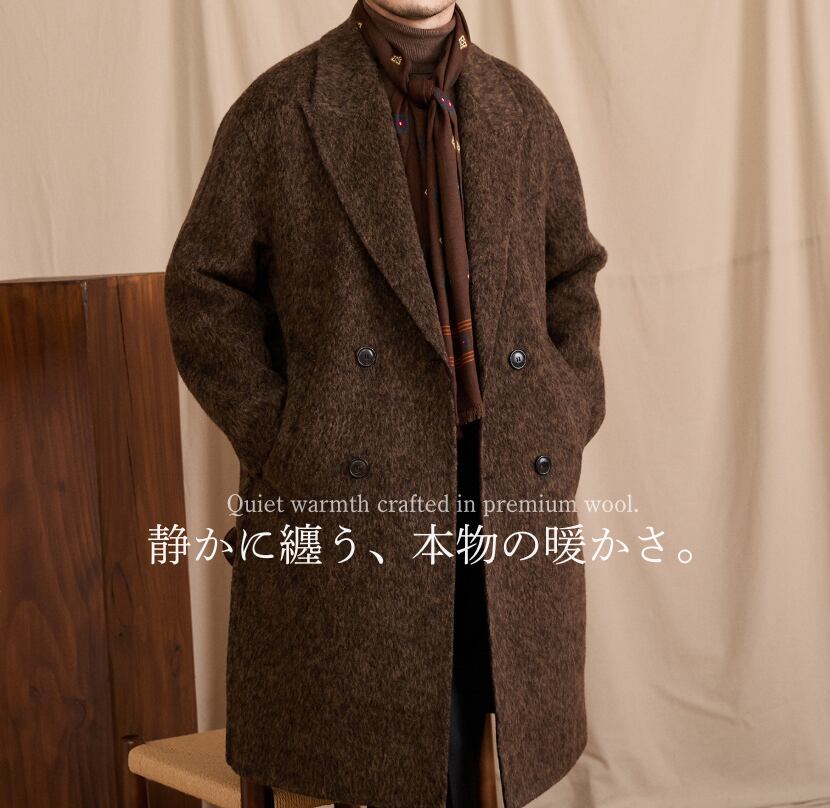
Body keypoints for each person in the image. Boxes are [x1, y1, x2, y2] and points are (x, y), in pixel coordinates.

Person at [164, 1, 608, 806]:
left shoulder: (520, 109)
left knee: (487, 744)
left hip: (503, 486)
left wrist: (566, 408)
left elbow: (570, 274)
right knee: (384, 760)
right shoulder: (284, 108)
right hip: (355, 499)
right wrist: (288, 438)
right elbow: (203, 289)